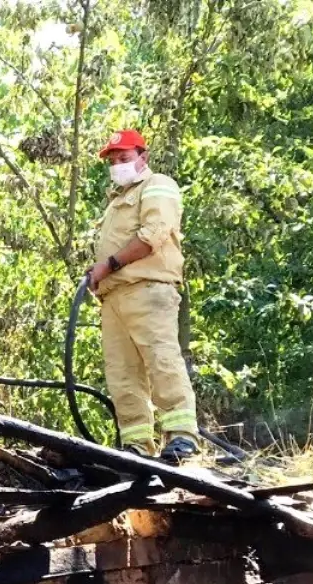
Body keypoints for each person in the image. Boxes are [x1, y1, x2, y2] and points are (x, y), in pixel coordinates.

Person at [87, 129, 199, 464]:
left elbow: (154, 234)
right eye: (113, 160)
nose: (118, 165)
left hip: (148, 289)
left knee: (162, 362)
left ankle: (182, 439)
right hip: (114, 297)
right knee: (122, 373)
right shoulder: (116, 201)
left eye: (124, 158)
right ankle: (136, 445)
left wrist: (109, 264)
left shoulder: (157, 185)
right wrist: (100, 273)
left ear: (143, 157)